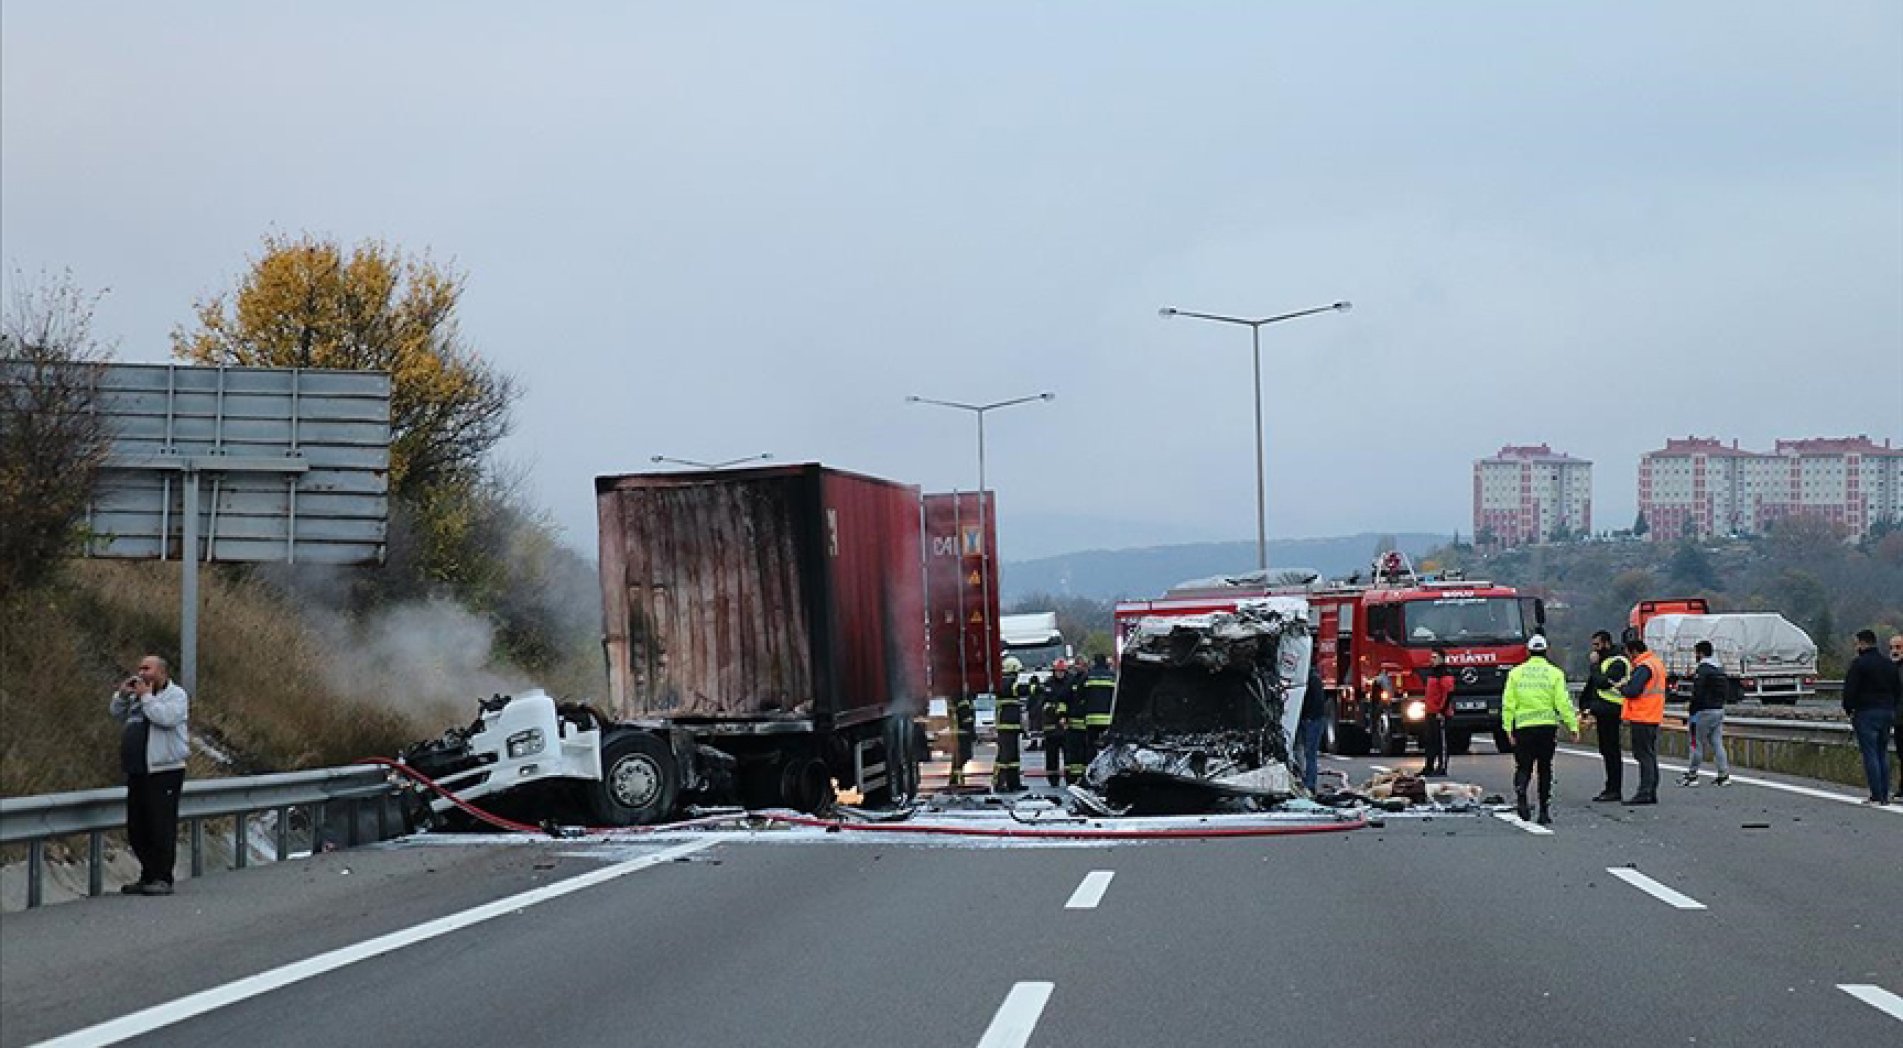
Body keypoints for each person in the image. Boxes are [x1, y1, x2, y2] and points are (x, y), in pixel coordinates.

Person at [108, 654, 190, 896]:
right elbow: (116, 714)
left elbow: (165, 718)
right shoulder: (138, 697)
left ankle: (163, 877)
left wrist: (146, 697)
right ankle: (147, 874)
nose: (141, 673)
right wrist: (123, 695)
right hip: (138, 770)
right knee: (137, 826)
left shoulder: (175, 696)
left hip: (164, 770)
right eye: (140, 668)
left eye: (148, 669)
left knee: (160, 825)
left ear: (162, 673)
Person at [1500, 634, 1577, 824]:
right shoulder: (1555, 673)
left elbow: (1508, 703)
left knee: (1523, 766)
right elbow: (1563, 702)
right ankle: (1544, 811)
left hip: (1524, 727)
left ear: (1528, 651)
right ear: (1546, 651)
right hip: (1546, 727)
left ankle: (1521, 796)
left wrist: (1508, 728)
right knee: (1545, 769)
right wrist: (1572, 725)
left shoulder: (1516, 673)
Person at [1841, 629, 1899, 805]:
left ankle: (1876, 794)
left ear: (1863, 643)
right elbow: (1897, 689)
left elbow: (1850, 691)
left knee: (1870, 753)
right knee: (1883, 752)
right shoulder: (1889, 664)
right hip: (1887, 712)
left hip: (1866, 712)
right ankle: (1885, 794)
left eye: (1857, 643)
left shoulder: (1859, 665)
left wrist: (1849, 709)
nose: (1856, 647)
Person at [1577, 630, 1629, 802]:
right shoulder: (1604, 661)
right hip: (1602, 711)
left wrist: (1594, 666)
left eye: (1597, 645)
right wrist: (1585, 706)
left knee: (1612, 751)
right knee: (1606, 750)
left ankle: (1614, 789)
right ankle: (1610, 787)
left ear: (1607, 643)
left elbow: (1602, 683)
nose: (1595, 649)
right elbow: (1592, 686)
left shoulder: (1618, 662)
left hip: (1612, 711)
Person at [1619, 630, 1668, 805]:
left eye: (1628, 654)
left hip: (1642, 716)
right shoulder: (1656, 663)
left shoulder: (1644, 667)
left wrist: (1622, 688)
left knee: (1643, 756)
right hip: (1653, 715)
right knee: (1650, 755)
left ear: (1633, 652)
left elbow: (1633, 691)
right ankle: (1651, 790)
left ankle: (1645, 792)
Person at [1679, 639, 1732, 787]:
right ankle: (1723, 775)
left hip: (1703, 712)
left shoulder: (1702, 670)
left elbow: (1698, 693)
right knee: (1717, 743)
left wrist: (1692, 711)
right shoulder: (1719, 669)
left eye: (1696, 653)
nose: (1695, 656)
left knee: (1696, 743)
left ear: (1700, 653)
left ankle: (1692, 775)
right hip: (1718, 710)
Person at [1420, 648, 1453, 776]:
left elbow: (1448, 693)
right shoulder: (1432, 673)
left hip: (1440, 713)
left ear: (1442, 659)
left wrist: (1442, 710)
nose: (1431, 660)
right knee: (1430, 741)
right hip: (1430, 711)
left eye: (1435, 657)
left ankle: (1442, 767)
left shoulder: (1445, 674)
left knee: (1441, 742)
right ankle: (1429, 766)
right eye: (1431, 657)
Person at [1297, 661, 1329, 792]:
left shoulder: (1310, 679)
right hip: (1313, 719)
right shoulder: (1314, 678)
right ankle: (1308, 782)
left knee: (1309, 754)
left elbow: (1312, 702)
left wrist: (1306, 717)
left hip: (1312, 720)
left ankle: (1309, 784)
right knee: (1309, 754)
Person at [1890, 634, 1902, 800]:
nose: (1894, 651)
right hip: (1898, 719)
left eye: (1898, 647)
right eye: (1892, 647)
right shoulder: (1891, 668)